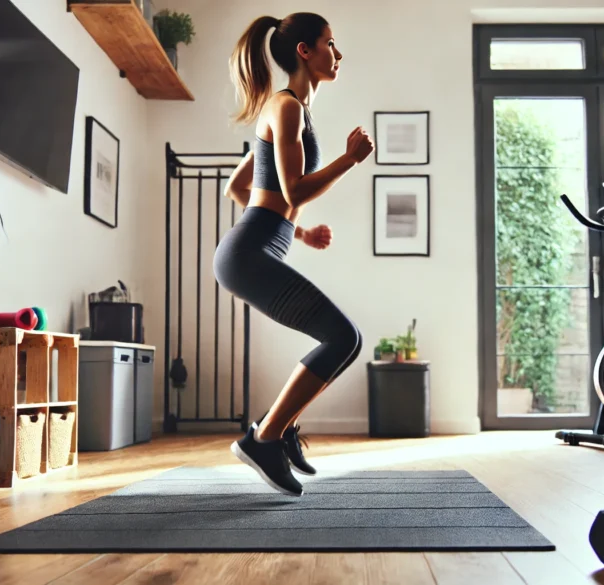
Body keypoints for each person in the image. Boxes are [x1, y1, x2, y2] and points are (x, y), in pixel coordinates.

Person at [215, 12, 374, 496]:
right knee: (343, 338)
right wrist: (348, 160)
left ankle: (277, 431)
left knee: (341, 339)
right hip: (248, 253)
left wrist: (297, 233)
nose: (337, 53)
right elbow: (295, 189)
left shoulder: (286, 109)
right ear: (305, 51)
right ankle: (264, 438)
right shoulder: (286, 108)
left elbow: (239, 186)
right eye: (330, 43)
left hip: (254, 246)